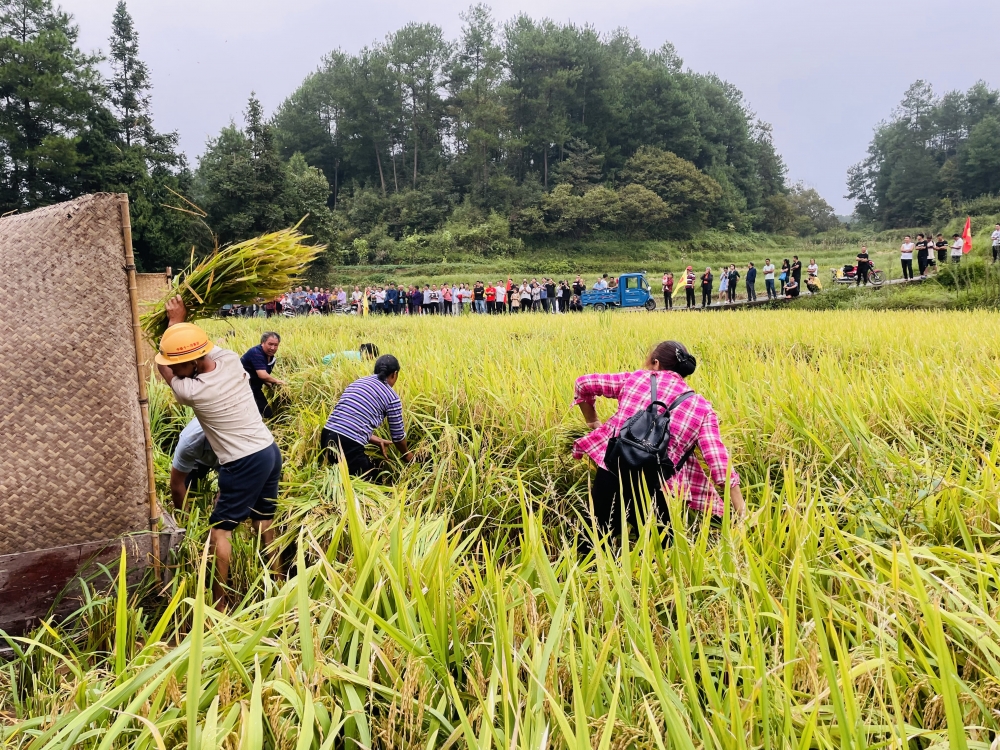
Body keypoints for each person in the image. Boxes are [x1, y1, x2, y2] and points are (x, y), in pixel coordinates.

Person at [155, 296, 282, 606]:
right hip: (269, 450)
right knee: (264, 521)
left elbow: (163, 366)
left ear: (195, 362)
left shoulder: (192, 391)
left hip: (243, 462)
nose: (175, 369)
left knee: (219, 532)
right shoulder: (229, 360)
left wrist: (174, 323)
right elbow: (195, 350)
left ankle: (219, 599)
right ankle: (277, 582)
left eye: (179, 364)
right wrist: (182, 325)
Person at [571, 340, 744, 540]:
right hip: (657, 486)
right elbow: (719, 462)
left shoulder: (634, 379)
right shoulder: (701, 408)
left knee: (595, 542)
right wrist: (741, 511)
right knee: (659, 554)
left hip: (612, 472)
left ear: (656, 363)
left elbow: (583, 383)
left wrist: (593, 422)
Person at [320, 354, 414, 476]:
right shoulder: (392, 397)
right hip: (347, 445)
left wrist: (377, 440)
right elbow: (398, 437)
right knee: (373, 484)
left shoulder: (358, 382)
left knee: (339, 480)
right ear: (394, 374)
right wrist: (407, 454)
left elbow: (347, 422)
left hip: (326, 436)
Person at [169, 418, 219, 513]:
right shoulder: (188, 443)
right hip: (198, 456)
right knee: (188, 487)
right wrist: (185, 517)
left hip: (231, 455)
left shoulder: (240, 440)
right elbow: (176, 483)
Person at [241, 332, 285, 418]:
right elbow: (262, 375)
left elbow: (259, 374)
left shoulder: (271, 357)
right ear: (262, 342)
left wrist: (268, 383)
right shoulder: (256, 353)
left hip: (254, 387)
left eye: (276, 345)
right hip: (243, 388)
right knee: (265, 413)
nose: (273, 348)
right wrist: (277, 381)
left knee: (263, 411)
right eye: (270, 344)